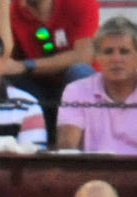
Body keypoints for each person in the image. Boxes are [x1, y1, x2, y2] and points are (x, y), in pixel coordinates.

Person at [0, 0, 98, 142]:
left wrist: (26, 65)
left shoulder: (79, 3)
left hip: (71, 86)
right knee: (4, 77)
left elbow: (84, 56)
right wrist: (3, 4)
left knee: (80, 72)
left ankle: (85, 150)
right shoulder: (11, 10)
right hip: (36, 89)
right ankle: (29, 146)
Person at [57, 16, 137, 153]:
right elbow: (67, 150)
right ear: (97, 57)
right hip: (93, 173)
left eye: (124, 52)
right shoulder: (77, 90)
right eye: (108, 52)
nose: (116, 59)